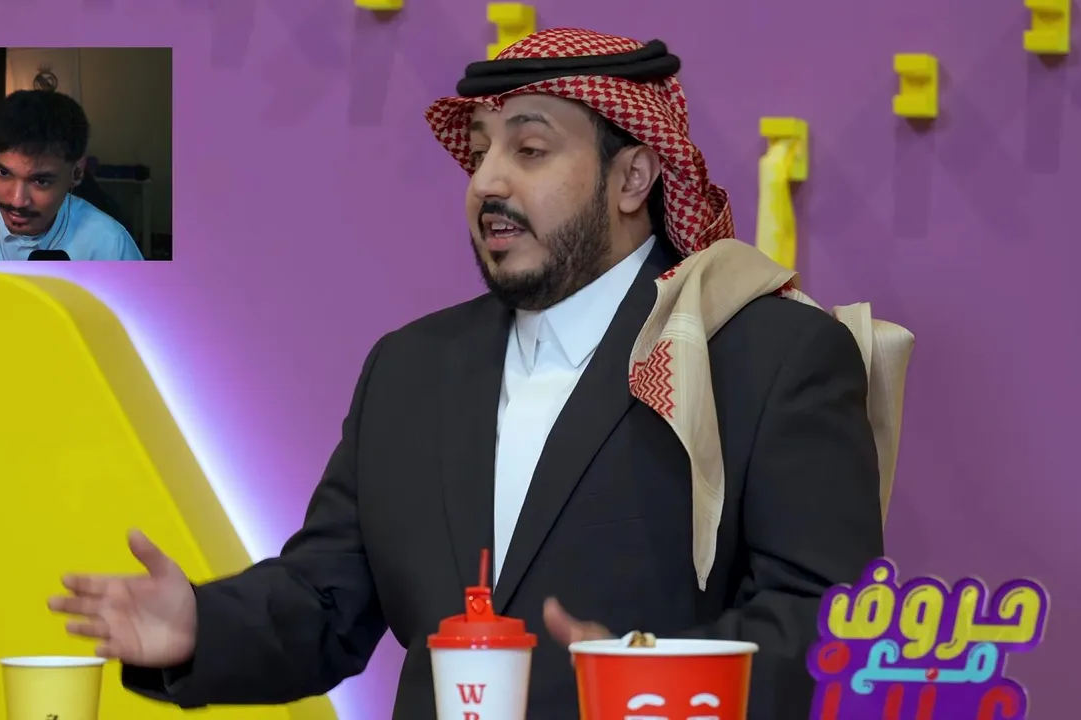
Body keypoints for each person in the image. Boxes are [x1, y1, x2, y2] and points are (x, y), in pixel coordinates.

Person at [49, 29, 884, 719]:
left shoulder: (762, 356)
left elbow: (827, 628)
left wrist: (645, 680)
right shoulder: (410, 370)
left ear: (633, 177)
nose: (487, 181)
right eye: (480, 153)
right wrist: (203, 625)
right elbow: (325, 600)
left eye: (530, 149)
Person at [0, 90, 143, 261]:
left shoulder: (111, 245)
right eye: (4, 173)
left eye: (41, 181)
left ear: (76, 173)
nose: (17, 201)